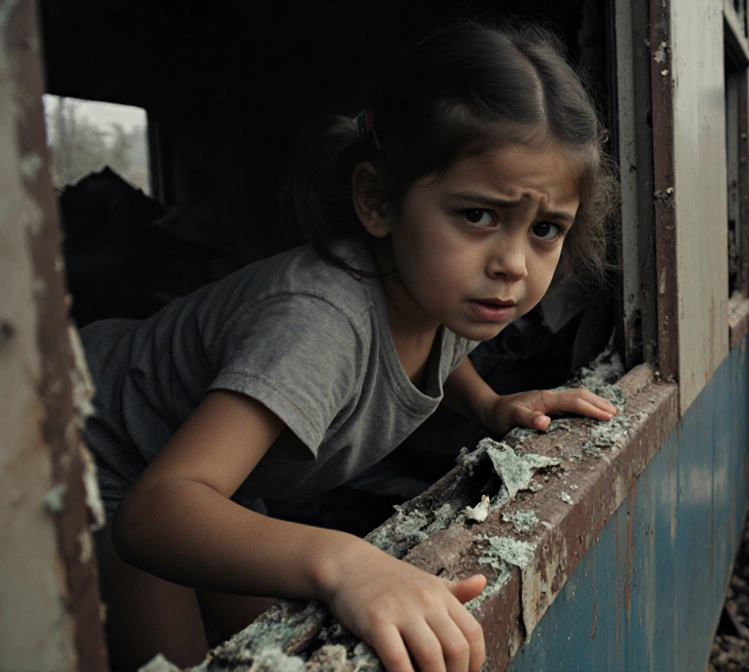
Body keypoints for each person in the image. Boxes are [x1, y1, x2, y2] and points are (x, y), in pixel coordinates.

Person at [82, 22, 618, 672]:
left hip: (209, 475)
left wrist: (489, 405)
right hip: (105, 456)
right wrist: (348, 560)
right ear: (377, 201)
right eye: (478, 215)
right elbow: (155, 517)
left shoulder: (444, 290)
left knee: (275, 639)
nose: (512, 263)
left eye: (545, 228)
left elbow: (439, 353)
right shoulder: (318, 326)